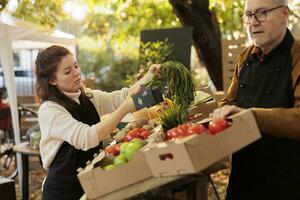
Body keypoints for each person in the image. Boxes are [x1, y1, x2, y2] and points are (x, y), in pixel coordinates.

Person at [35, 45, 161, 200]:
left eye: (76, 66)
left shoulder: (88, 97)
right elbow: (86, 138)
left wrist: (148, 77)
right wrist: (124, 109)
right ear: (52, 80)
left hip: (91, 182)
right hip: (64, 192)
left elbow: (122, 96)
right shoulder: (50, 110)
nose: (77, 73)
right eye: (68, 71)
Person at [211, 0, 300, 199]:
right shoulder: (244, 58)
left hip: (288, 183)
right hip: (243, 179)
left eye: (262, 13)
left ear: (284, 14)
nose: (253, 22)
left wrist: (250, 116)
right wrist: (221, 113)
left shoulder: (297, 56)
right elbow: (229, 101)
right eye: (248, 15)